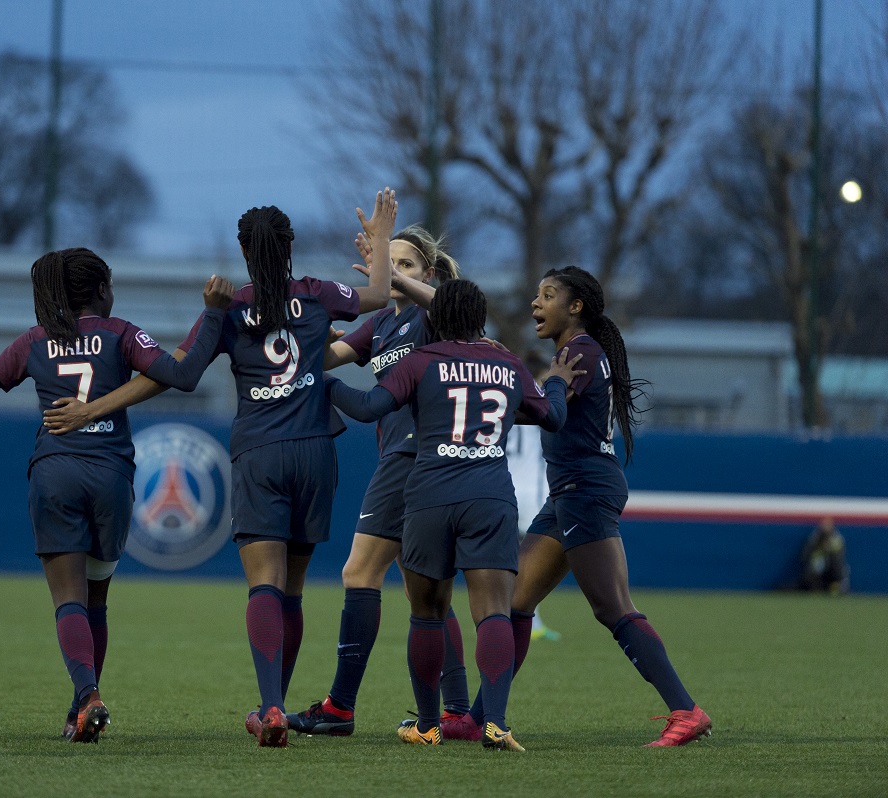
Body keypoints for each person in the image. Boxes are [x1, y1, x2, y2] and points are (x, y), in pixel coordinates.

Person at [41, 190, 398, 747]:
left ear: (242, 250)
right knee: (294, 591)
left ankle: (272, 708)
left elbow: (177, 372)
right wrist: (379, 236)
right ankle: (273, 702)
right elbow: (378, 292)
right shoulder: (319, 295)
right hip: (314, 451)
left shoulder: (230, 309)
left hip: (259, 453)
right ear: (289, 248)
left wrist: (92, 407)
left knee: (264, 583)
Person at [0, 247, 233, 744]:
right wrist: (213, 313)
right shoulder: (119, 333)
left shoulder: (34, 341)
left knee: (67, 598)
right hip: (111, 476)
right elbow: (182, 375)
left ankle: (88, 696)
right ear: (99, 291)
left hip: (54, 473)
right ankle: (81, 707)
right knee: (97, 597)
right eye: (109, 287)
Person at [459, 265, 712, 748]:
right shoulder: (574, 352)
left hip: (585, 489)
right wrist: (504, 362)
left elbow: (540, 409)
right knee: (515, 604)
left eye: (548, 295)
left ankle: (686, 710)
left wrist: (496, 370)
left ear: (575, 307)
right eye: (536, 294)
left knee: (612, 607)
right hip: (569, 491)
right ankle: (479, 717)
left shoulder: (579, 351)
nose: (536, 303)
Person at [325, 279, 579, 749]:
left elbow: (366, 408)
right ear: (480, 318)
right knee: (493, 613)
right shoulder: (507, 363)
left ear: (436, 318)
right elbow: (552, 417)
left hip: (429, 497)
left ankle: (426, 726)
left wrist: (323, 381)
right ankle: (496, 723)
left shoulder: (420, 361)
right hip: (489, 497)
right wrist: (559, 382)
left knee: (427, 613)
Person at [286, 225, 474, 737]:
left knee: (360, 573)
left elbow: (454, 305)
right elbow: (325, 359)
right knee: (430, 593)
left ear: (427, 274)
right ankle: (458, 712)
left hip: (416, 457)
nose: (394, 273)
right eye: (386, 265)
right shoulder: (381, 325)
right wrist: (311, 337)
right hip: (408, 459)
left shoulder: (432, 315)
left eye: (406, 264)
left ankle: (341, 707)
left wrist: (392, 276)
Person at [798, 516, 849, 594]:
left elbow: (839, 555)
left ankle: (836, 588)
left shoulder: (836, 538)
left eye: (828, 525)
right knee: (815, 567)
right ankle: (816, 588)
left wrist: (828, 549)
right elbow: (806, 553)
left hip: (833, 565)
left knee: (839, 569)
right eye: (824, 525)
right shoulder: (815, 537)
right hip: (819, 564)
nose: (826, 528)